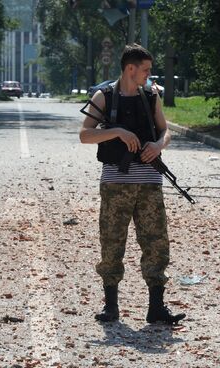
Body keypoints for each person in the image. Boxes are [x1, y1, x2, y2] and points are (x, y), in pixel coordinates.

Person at [79, 43, 185, 325]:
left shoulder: (151, 96)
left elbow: (165, 131)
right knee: (112, 242)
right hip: (115, 184)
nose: (150, 76)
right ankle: (111, 306)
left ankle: (156, 308)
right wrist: (116, 132)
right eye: (146, 70)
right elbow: (84, 135)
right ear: (130, 69)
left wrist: (157, 146)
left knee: (156, 243)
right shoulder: (105, 97)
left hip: (150, 181)